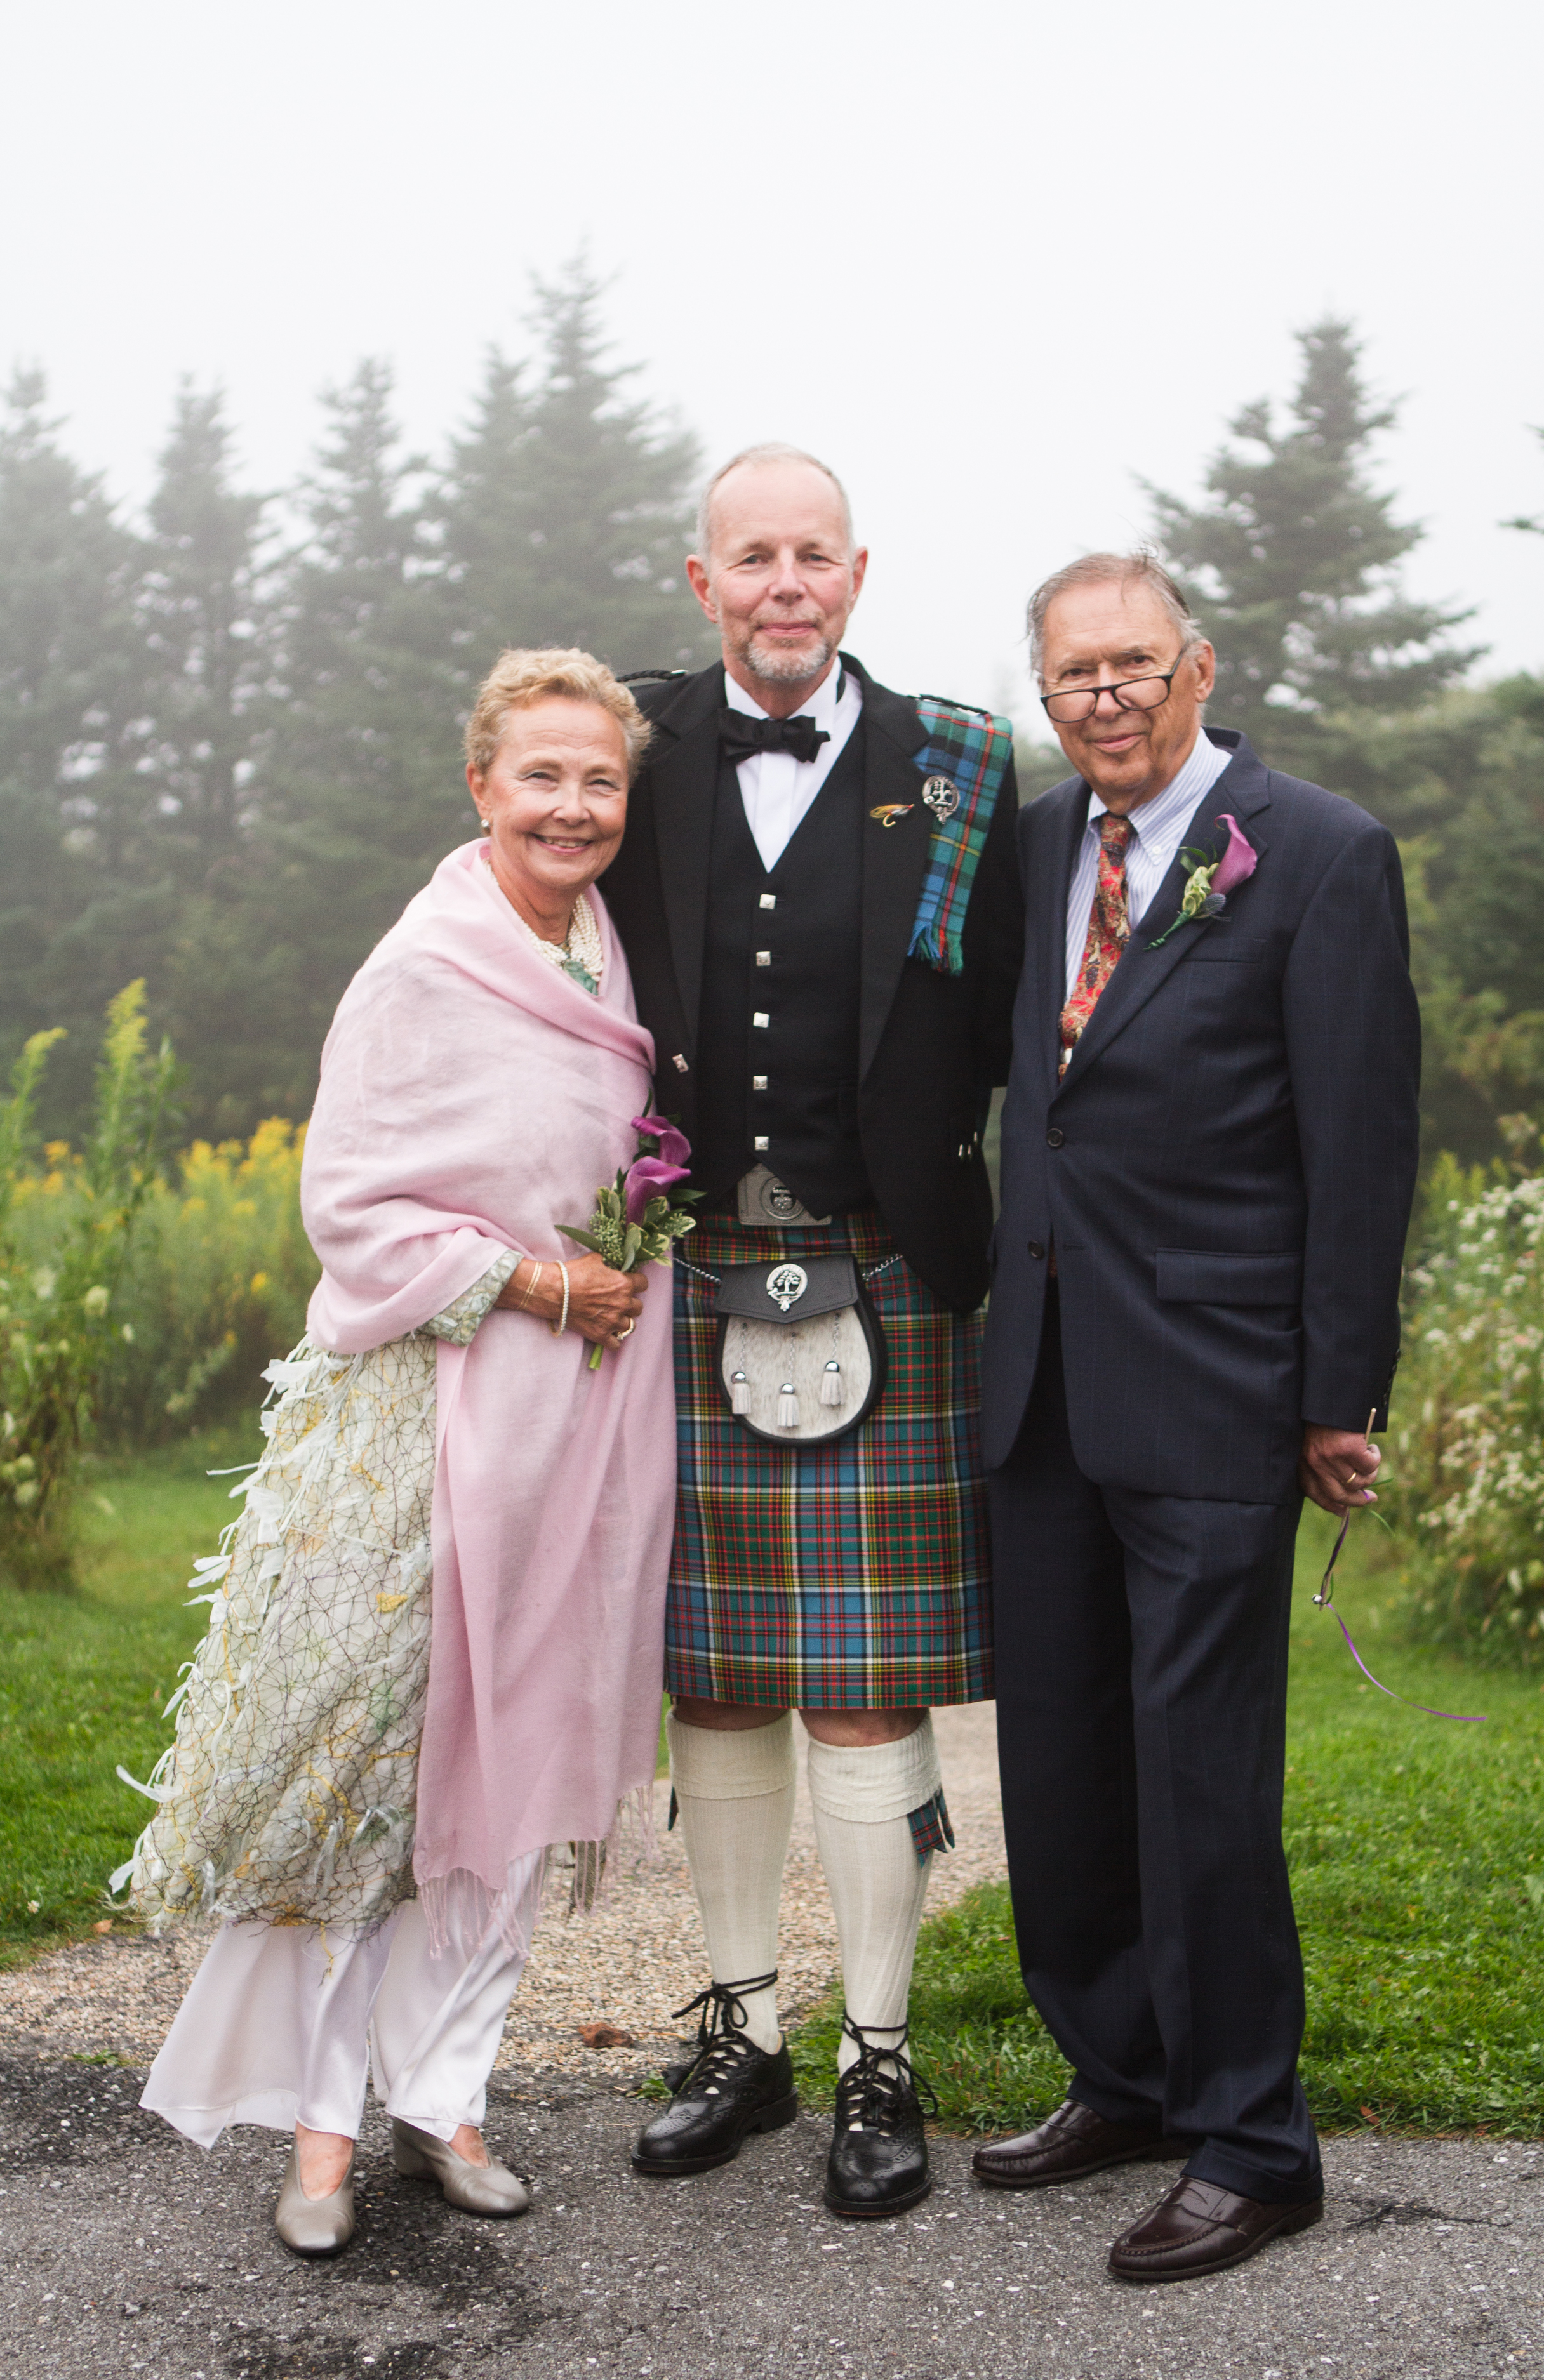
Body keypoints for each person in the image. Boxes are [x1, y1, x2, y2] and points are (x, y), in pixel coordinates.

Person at [121, 649, 676, 2256]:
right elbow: (349, 1204)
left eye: (600, 783)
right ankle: (317, 2129)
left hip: (582, 1415)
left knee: (521, 1767)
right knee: (388, 1775)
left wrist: (599, 1282)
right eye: (542, 777)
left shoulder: (602, 953)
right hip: (428, 1420)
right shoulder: (425, 966)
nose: (571, 808)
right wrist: (530, 1277)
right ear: (480, 784)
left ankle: (451, 2092)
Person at [974, 553, 1420, 2282]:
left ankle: (1252, 2136)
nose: (1102, 694)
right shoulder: (1030, 845)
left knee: (1200, 1772)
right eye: (1070, 669)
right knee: (1064, 1755)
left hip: (1222, 1384)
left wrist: (1336, 1390)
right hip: (1047, 1380)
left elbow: (1358, 1140)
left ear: (1196, 666)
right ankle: (1125, 2073)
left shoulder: (1313, 852)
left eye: (1131, 665)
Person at [599, 444, 1022, 2216]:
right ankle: (740, 2032)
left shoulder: (960, 764)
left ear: (856, 575)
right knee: (716, 1678)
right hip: (694, 1269)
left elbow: (1011, 1018)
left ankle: (875, 2051)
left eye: (812, 555)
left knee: (861, 1687)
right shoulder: (629, 746)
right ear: (701, 580)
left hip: (887, 1262)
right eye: (749, 555)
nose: (783, 581)